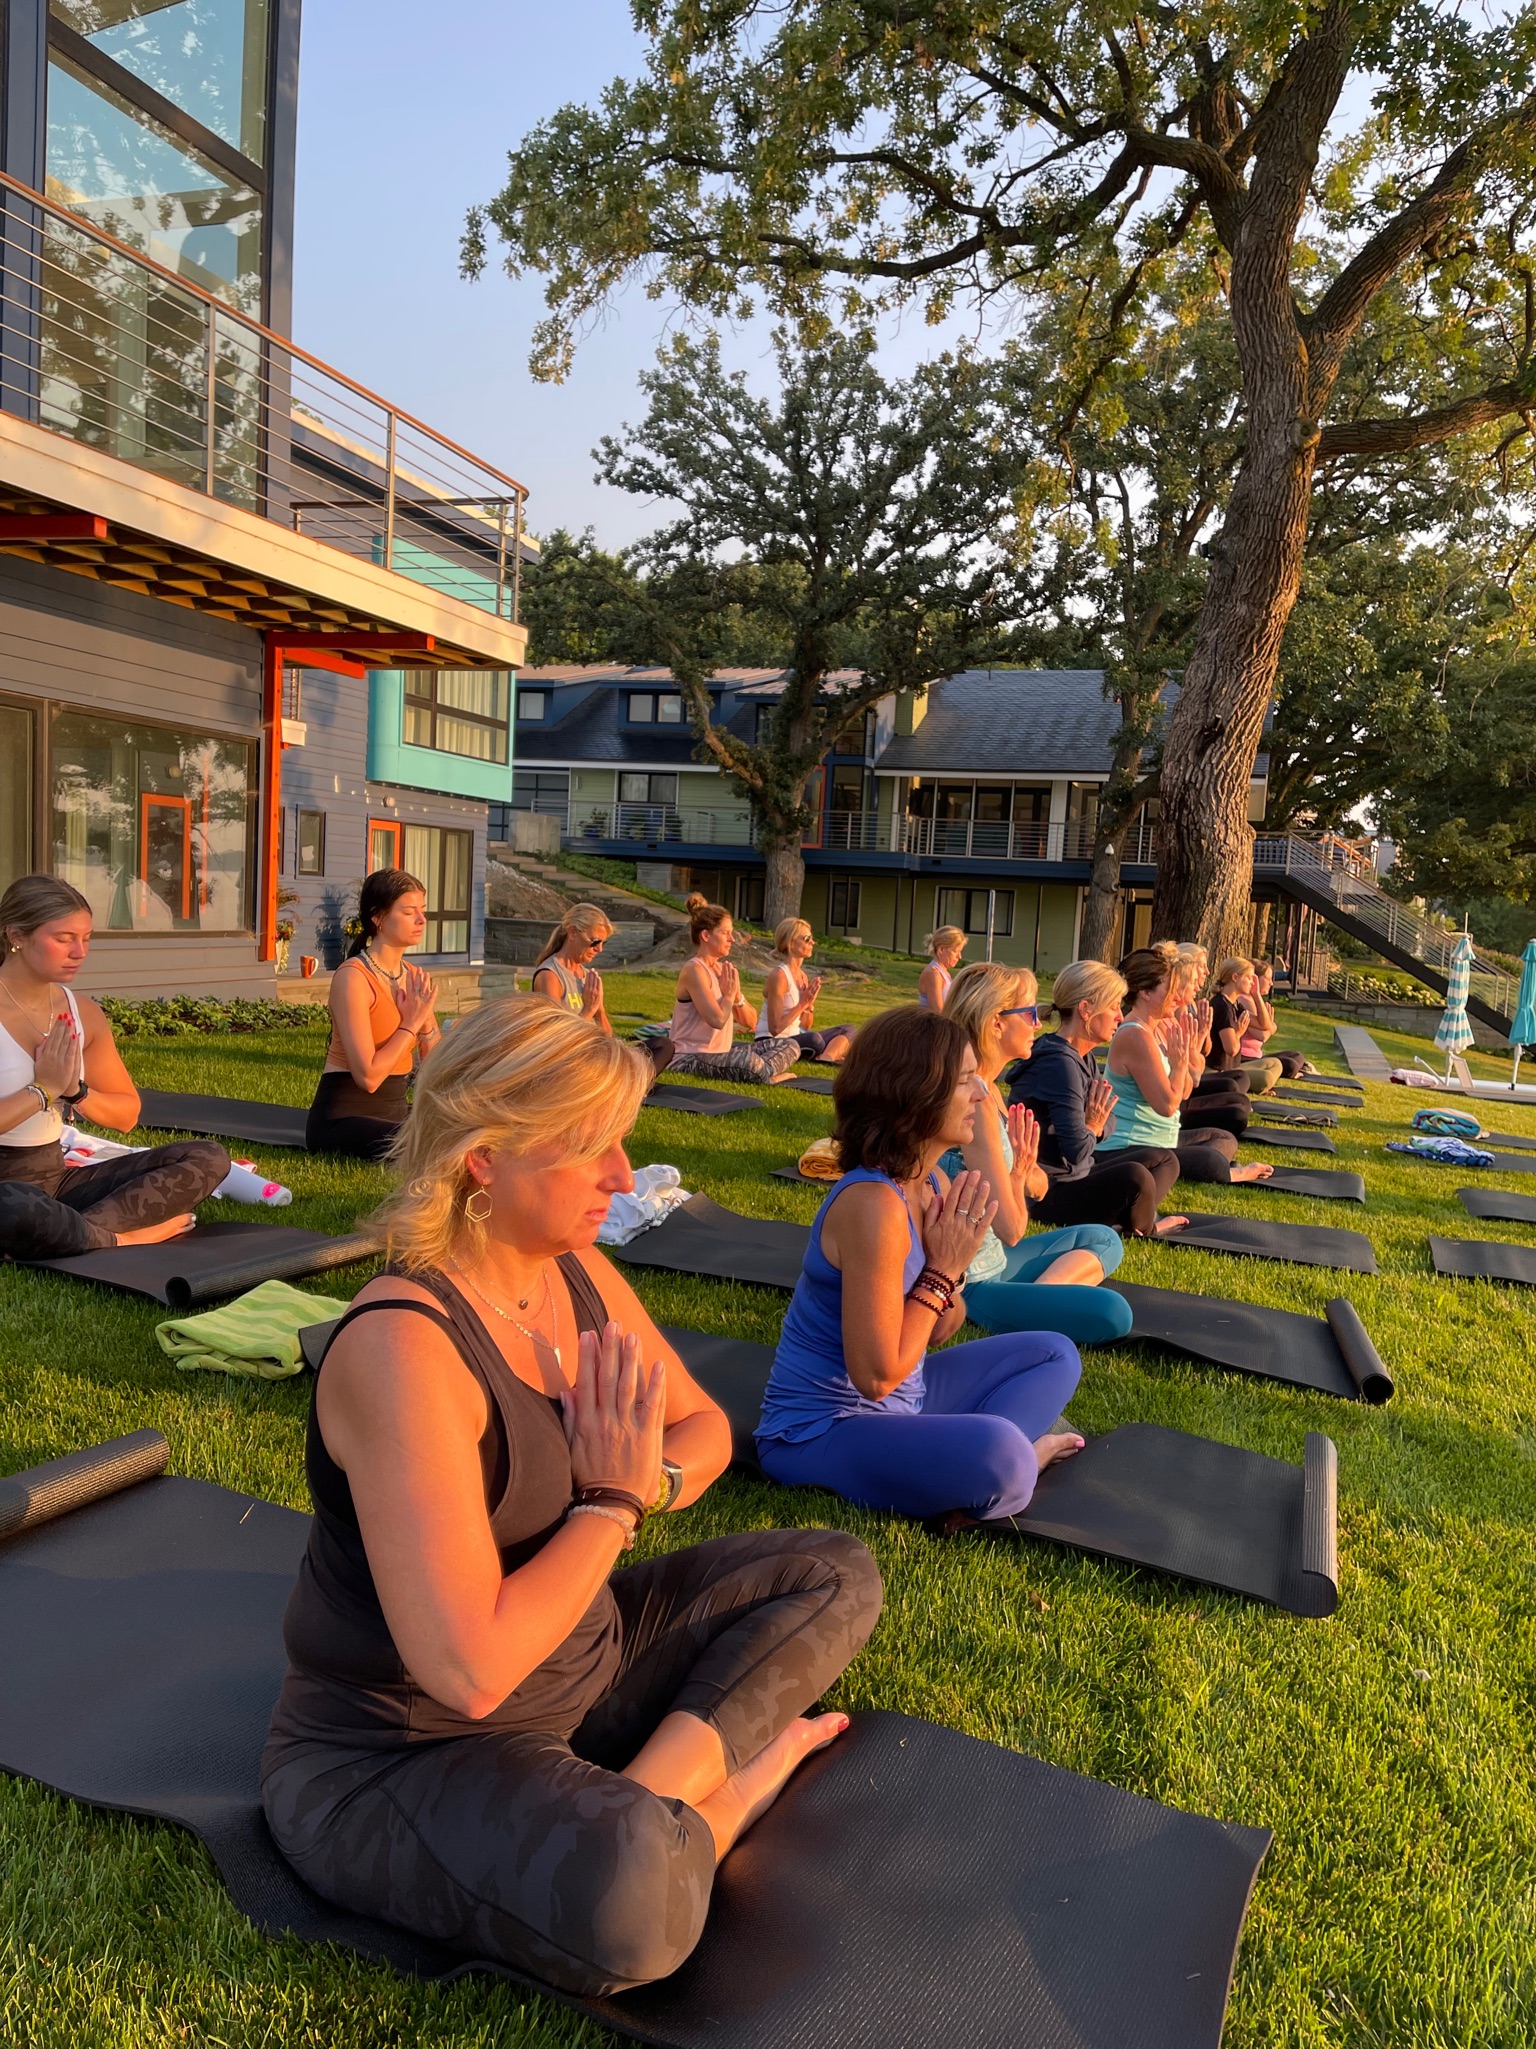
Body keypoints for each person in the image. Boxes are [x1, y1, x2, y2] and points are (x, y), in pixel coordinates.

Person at [263, 998, 882, 1995]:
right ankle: (716, 1808)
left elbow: (705, 1430)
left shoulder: (575, 1268)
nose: (622, 1177)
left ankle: (651, 1793)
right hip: (404, 1755)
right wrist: (610, 1504)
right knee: (632, 1896)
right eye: (589, 1148)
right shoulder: (404, 1350)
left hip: (579, 1662)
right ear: (485, 1159)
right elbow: (467, 1673)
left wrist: (648, 1479)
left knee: (830, 1572)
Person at [755, 1006, 1084, 1528]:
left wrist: (947, 1272)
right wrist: (942, 1268)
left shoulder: (928, 1185)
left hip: (909, 1397)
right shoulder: (874, 1204)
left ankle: (964, 1466)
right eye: (964, 1081)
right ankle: (1011, 1464)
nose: (981, 1093)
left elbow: (941, 1329)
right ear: (914, 1096)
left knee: (1054, 1354)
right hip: (825, 1428)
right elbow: (876, 1376)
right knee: (1004, 1454)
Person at [0, 876, 230, 1260]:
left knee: (207, 1157)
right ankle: (122, 1239)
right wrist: (43, 1090)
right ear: (17, 936)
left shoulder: (83, 1013)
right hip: (7, 1190)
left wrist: (75, 1091)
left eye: (87, 938)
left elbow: (126, 1115)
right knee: (13, 1203)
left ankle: (64, 1232)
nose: (80, 951)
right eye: (64, 938)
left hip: (53, 1178)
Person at [939, 962, 1133, 1344]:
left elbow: (1041, 1186)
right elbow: (1011, 1230)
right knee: (1114, 1313)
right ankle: (1031, 1302)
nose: (1038, 1024)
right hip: (973, 1282)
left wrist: (1024, 1169)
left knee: (1104, 1239)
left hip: (998, 1262)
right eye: (1029, 1013)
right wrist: (1018, 1172)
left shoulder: (991, 1091)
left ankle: (1039, 1297)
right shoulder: (972, 1100)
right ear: (996, 1022)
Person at [1010, 959, 1186, 1237]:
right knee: (1136, 1177)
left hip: (1081, 1170)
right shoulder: (1060, 1064)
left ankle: (1129, 1218)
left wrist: (1096, 1125)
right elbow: (1077, 1149)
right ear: (1085, 1010)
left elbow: (1109, 1117)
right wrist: (1093, 1126)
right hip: (1049, 1191)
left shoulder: (1083, 1056)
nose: (1120, 1015)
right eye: (1114, 1006)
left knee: (1164, 1160)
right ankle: (1142, 1228)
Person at [1098, 950, 1273, 1186]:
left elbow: (1187, 1090)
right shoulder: (1135, 1034)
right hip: (1133, 1146)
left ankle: (1212, 1164)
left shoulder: (1155, 1027)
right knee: (1209, 1159)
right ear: (1145, 993)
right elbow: (1168, 1106)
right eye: (1169, 988)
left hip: (1162, 1139)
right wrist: (1180, 1065)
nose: (1177, 996)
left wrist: (1188, 1054)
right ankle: (1234, 1172)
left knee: (1223, 1138)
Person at [306, 869, 440, 1159]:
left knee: (471, 1131)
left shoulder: (413, 977)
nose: (421, 920)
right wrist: (411, 1023)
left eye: (422, 911)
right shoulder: (353, 977)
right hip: (344, 1117)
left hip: (394, 1113)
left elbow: (438, 1072)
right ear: (378, 918)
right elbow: (368, 1077)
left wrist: (426, 1023)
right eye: (408, 912)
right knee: (434, 1148)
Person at [666, 897, 800, 1084]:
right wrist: (728, 995)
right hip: (690, 1057)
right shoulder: (694, 970)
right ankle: (764, 1074)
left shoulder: (723, 970)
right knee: (749, 1061)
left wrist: (737, 997)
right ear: (706, 936)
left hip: (721, 1054)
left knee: (790, 1044)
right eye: (726, 933)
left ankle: (761, 1071)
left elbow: (750, 1021)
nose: (731, 939)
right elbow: (717, 1020)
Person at [533, 904, 674, 1075]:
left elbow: (608, 1036)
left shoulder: (586, 975)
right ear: (572, 932)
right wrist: (588, 1009)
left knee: (663, 1045)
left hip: (597, 1052)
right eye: (595, 942)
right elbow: (558, 1038)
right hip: (569, 1059)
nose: (599, 949)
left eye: (603, 943)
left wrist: (599, 1010)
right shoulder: (550, 976)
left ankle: (631, 1084)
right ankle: (632, 1085)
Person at [759, 919, 854, 1062]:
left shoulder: (802, 976)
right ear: (790, 943)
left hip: (795, 1035)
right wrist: (802, 1004)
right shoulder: (779, 976)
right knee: (814, 1040)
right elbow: (775, 1029)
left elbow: (805, 1025)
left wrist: (809, 1005)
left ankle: (826, 1057)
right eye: (807, 939)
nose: (812, 942)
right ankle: (828, 1053)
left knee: (849, 1030)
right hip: (770, 1041)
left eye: (811, 938)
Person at [1211, 957, 1284, 1093]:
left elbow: (1264, 1025)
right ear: (1235, 977)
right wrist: (1238, 1032)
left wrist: (1256, 995)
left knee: (1276, 1064)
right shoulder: (1222, 1006)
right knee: (1265, 1077)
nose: (1252, 982)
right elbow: (1231, 1049)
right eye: (1249, 978)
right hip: (1219, 1071)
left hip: (1233, 1068)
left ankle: (1252, 1084)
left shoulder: (1235, 1005)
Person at [1240, 960, 1307, 1077]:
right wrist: (1271, 1026)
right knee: (1291, 1065)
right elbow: (1262, 1036)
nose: (1271, 983)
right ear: (1256, 979)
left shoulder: (1255, 1000)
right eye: (1268, 978)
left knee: (1297, 1056)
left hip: (1257, 1056)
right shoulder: (1245, 1000)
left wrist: (1270, 1026)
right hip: (1245, 1058)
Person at [917, 926, 965, 1011]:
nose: (959, 956)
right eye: (955, 951)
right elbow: (938, 1011)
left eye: (960, 952)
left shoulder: (944, 973)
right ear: (941, 949)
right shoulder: (933, 973)